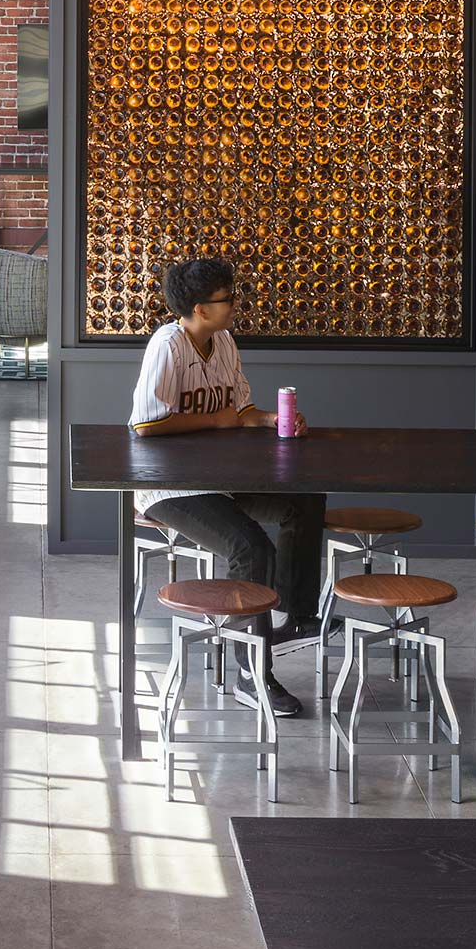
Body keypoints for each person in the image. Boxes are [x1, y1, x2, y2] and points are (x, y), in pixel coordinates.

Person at [129, 257, 326, 718]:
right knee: (250, 547)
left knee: (304, 501)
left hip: (221, 480)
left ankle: (294, 618)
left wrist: (271, 419)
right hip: (169, 488)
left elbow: (242, 409)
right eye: (227, 299)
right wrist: (215, 420)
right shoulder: (167, 346)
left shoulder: (224, 342)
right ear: (200, 308)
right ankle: (250, 672)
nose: (236, 304)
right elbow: (144, 425)